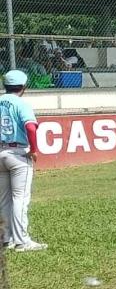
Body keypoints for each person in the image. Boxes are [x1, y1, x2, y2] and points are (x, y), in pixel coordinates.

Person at [0, 70, 47, 252]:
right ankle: (22, 242)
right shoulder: (21, 103)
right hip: (18, 152)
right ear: (23, 87)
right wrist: (34, 149)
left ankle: (7, 239)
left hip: (1, 151)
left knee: (4, 199)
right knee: (20, 198)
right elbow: (30, 127)